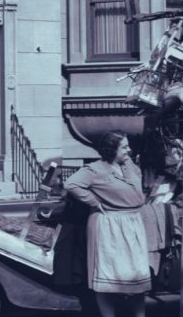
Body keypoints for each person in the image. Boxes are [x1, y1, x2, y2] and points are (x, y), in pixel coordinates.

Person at [64, 130, 151, 317]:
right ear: (111, 149)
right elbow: (71, 184)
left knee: (137, 276)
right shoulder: (95, 170)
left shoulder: (129, 165)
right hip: (109, 225)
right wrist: (94, 202)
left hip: (133, 222)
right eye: (124, 147)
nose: (129, 150)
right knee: (108, 277)